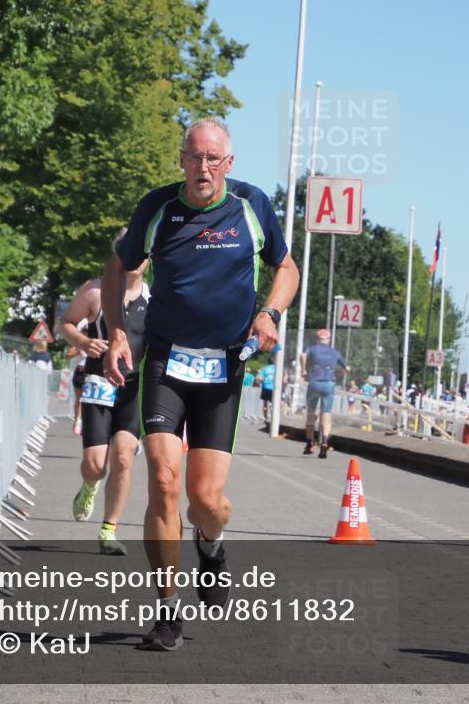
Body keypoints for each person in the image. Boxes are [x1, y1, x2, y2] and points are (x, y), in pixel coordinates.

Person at [102, 117, 299, 651]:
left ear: (229, 164)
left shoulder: (252, 205)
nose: (203, 167)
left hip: (224, 368)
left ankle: (211, 546)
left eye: (214, 158)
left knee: (206, 500)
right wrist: (119, 333)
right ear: (182, 159)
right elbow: (116, 270)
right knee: (164, 480)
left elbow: (286, 267)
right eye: (195, 156)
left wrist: (271, 315)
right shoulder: (159, 207)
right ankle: (167, 610)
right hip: (166, 361)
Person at [60, 233, 151, 556]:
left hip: (134, 387)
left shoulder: (155, 298)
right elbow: (67, 323)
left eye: (143, 254)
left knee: (124, 457)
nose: (137, 260)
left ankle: (109, 529)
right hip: (99, 382)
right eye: (131, 253)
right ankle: (89, 485)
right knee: (96, 465)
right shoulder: (95, 291)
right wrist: (84, 343)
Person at [300, 328, 349, 458]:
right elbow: (347, 368)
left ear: (317, 338)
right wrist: (339, 372)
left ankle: (309, 443)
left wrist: (303, 370)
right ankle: (324, 441)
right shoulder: (335, 352)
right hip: (329, 383)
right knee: (326, 414)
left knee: (311, 413)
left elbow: (302, 355)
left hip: (314, 382)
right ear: (329, 339)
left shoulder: (312, 348)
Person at [258, 358, 276, 423]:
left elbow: (259, 378)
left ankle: (265, 418)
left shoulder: (264, 368)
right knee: (273, 403)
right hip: (274, 388)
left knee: (265, 404)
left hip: (265, 387)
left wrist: (262, 382)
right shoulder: (277, 368)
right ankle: (272, 417)